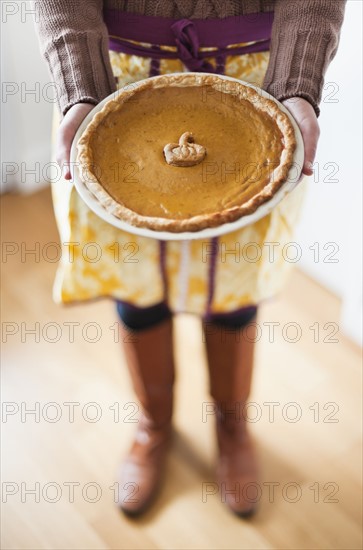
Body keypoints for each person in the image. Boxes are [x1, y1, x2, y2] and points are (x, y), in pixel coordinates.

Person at [34, 0, 346, 517]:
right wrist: (79, 92)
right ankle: (154, 425)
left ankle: (231, 427)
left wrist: (298, 86)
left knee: (234, 283)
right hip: (113, 87)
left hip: (256, 89)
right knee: (134, 278)